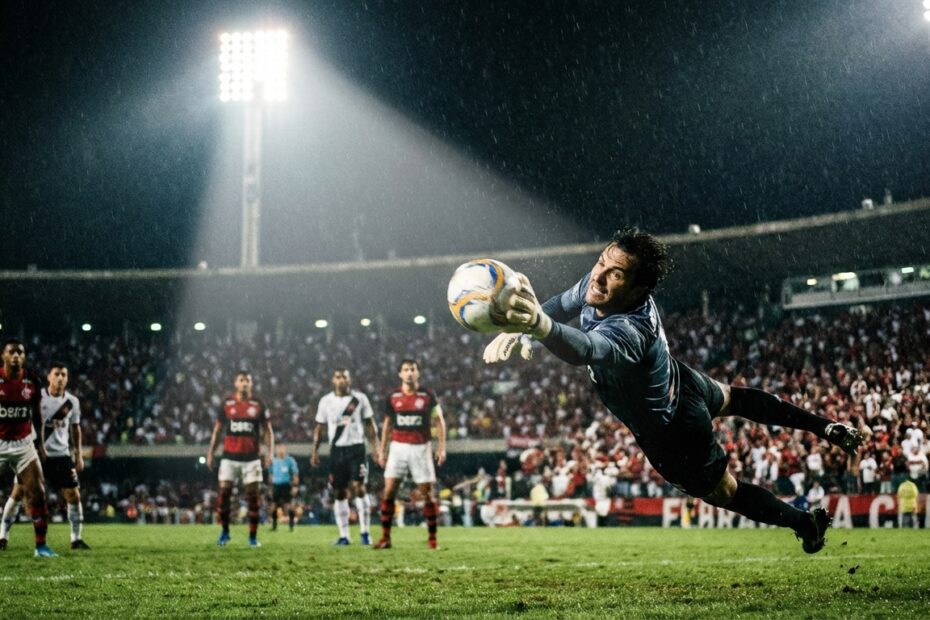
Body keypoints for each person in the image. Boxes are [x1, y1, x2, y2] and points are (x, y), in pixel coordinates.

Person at [483, 227, 863, 553]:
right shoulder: (599, 286)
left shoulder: (631, 329)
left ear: (638, 289)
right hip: (680, 380)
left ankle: (804, 522)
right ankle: (827, 427)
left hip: (672, 431)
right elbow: (562, 304)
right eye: (601, 262)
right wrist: (528, 326)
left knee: (725, 492)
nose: (599, 277)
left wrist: (540, 327)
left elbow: (585, 349)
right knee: (735, 397)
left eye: (616, 274)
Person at [0, 361, 89, 549]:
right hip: (35, 455)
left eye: (64, 375)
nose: (60, 378)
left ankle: (76, 539)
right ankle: (2, 537)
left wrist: (79, 454)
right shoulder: (37, 397)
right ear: (49, 377)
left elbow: (75, 428)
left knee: (73, 495)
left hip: (61, 456)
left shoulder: (72, 402)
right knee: (18, 493)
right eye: (57, 374)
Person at [374, 359, 447, 550]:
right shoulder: (393, 396)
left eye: (412, 369)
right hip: (397, 447)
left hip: (420, 448)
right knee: (388, 492)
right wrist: (382, 451)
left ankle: (432, 540)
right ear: (400, 374)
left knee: (427, 494)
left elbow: (439, 421)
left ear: (418, 373)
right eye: (405, 369)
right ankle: (386, 538)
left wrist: (441, 447)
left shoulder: (428, 395)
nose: (409, 373)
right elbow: (387, 425)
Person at [0, 339, 57, 557]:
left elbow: (37, 415)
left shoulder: (32, 380)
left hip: (24, 444)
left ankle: (41, 547)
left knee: (38, 492)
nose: (16, 356)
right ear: (4, 356)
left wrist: (40, 444)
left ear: (24, 357)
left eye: (20, 352)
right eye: (11, 352)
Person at [312, 368, 380, 545]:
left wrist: (376, 448)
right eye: (338, 377)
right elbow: (319, 428)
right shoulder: (326, 401)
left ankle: (365, 533)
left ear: (349, 380)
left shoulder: (360, 399)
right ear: (333, 380)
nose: (341, 380)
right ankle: (344, 536)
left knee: (359, 488)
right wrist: (315, 451)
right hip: (337, 450)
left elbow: (370, 424)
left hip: (357, 449)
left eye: (344, 377)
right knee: (339, 492)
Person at [206, 371, 273, 547]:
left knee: (253, 498)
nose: (244, 383)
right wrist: (211, 452)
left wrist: (270, 452)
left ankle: (252, 537)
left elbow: (267, 430)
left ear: (251, 384)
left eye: (247, 380)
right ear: (236, 383)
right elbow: (217, 430)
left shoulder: (258, 404)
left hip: (251, 458)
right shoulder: (227, 404)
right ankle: (225, 533)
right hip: (229, 457)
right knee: (224, 495)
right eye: (241, 380)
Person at [268, 443, 299, 532]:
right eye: (278, 448)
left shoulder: (290, 460)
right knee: (273, 505)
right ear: (276, 450)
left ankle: (291, 526)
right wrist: (270, 487)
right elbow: (270, 474)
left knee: (289, 505)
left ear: (285, 449)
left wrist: (295, 486)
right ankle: (274, 526)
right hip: (276, 485)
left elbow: (295, 474)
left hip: (286, 485)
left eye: (282, 448)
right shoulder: (273, 461)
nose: (280, 450)